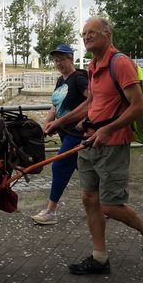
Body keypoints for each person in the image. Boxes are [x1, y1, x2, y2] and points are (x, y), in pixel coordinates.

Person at [47, 16, 143, 275]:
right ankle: (100, 258)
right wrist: (62, 122)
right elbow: (93, 103)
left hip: (112, 143)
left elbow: (138, 107)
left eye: (92, 32)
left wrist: (108, 128)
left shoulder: (119, 63)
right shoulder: (92, 65)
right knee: (89, 198)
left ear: (107, 34)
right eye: (84, 34)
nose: (86, 36)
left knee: (110, 205)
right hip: (89, 141)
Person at [31, 44, 88, 225]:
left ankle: (50, 211)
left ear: (71, 58)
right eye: (56, 60)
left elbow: (94, 100)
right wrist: (47, 123)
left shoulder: (79, 78)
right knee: (86, 170)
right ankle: (105, 205)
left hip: (78, 133)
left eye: (62, 59)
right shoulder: (61, 81)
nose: (59, 63)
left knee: (59, 166)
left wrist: (85, 119)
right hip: (65, 131)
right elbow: (55, 105)